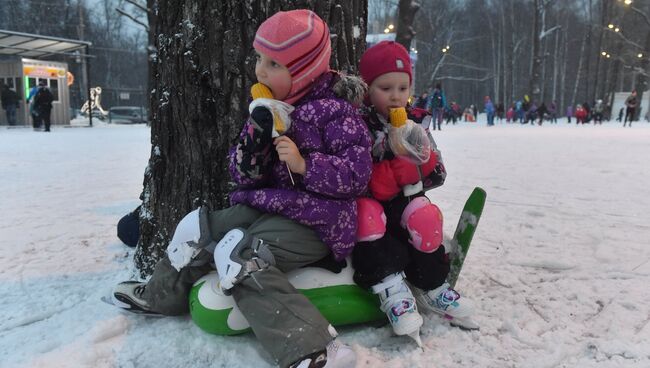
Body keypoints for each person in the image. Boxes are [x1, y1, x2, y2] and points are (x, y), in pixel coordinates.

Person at [111, 10, 372, 368]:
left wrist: (304, 165)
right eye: (259, 59)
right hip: (273, 206)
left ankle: (314, 349)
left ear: (304, 71)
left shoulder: (335, 114)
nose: (260, 71)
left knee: (244, 257)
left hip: (319, 222)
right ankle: (160, 294)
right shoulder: (271, 109)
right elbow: (243, 176)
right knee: (200, 229)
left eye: (274, 64)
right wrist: (255, 137)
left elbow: (356, 176)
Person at [353, 41, 474, 344]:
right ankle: (392, 291)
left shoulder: (417, 121)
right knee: (366, 218)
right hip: (374, 209)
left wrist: (421, 167)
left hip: (407, 203)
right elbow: (349, 175)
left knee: (425, 216)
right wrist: (381, 175)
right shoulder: (358, 124)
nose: (396, 96)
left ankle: (433, 285)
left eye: (402, 87)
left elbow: (439, 171)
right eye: (385, 88)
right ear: (368, 89)